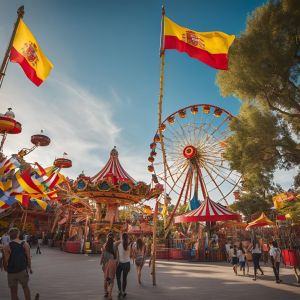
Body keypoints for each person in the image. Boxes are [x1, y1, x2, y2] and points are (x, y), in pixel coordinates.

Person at [2, 227, 38, 300]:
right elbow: (28, 257)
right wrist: (30, 268)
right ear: (18, 234)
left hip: (11, 272)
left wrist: (6, 268)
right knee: (25, 287)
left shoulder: (7, 246)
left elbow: (5, 260)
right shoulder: (25, 243)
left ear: (9, 235)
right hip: (22, 270)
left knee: (13, 292)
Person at [100, 235, 117, 299]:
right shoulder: (114, 246)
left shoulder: (105, 246)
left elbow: (102, 257)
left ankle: (106, 292)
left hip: (106, 264)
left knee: (106, 279)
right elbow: (116, 256)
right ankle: (110, 294)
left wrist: (101, 263)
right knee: (111, 280)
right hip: (112, 263)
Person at [115, 233, 131, 298]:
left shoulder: (119, 244)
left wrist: (120, 240)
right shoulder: (129, 245)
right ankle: (124, 291)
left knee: (118, 278)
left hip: (120, 263)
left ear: (121, 237)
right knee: (124, 278)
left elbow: (113, 243)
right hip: (127, 263)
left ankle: (119, 291)